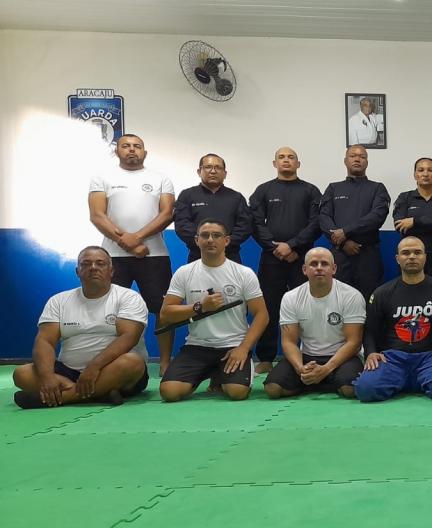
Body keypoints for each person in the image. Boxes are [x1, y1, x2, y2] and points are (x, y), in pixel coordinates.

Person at [13, 246, 149, 409]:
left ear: (111, 271)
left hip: (110, 368)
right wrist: (47, 377)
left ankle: (64, 397)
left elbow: (129, 337)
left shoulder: (129, 297)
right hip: (68, 372)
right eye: (86, 264)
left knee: (132, 362)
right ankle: (100, 393)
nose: (93, 268)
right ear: (78, 271)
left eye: (100, 263)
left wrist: (93, 367)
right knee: (21, 374)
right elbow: (45, 341)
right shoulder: (59, 300)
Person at [87, 134, 175, 374]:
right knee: (110, 308)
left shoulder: (161, 179)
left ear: (145, 152)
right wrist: (125, 241)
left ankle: (165, 362)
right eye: (126, 146)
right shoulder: (102, 177)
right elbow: (97, 215)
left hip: (154, 255)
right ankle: (111, 360)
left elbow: (167, 214)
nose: (132, 150)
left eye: (137, 146)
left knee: (163, 310)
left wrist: (136, 238)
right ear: (117, 151)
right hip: (112, 257)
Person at [159, 219, 269, 402]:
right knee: (169, 392)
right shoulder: (184, 272)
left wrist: (243, 348)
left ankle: (220, 375)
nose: (210, 240)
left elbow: (262, 315)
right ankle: (209, 373)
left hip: (233, 345)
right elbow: (166, 314)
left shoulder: (244, 273)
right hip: (197, 346)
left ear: (226, 241)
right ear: (197, 240)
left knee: (237, 392)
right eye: (205, 235)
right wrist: (200, 307)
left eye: (216, 235)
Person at [354, 237, 432, 402]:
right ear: (397, 258)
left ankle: (409, 381)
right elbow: (370, 330)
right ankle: (411, 381)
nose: (412, 257)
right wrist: (371, 353)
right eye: (406, 253)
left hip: (430, 357)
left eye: (417, 252)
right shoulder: (382, 293)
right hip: (393, 358)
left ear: (425, 257)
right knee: (365, 389)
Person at [248, 146, 322, 374]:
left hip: (302, 259)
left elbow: (316, 223)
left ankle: (309, 353)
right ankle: (266, 357)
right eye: (281, 157)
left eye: (291, 157)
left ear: (298, 164)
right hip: (272, 259)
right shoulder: (263, 190)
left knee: (307, 307)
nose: (286, 160)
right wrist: (275, 248)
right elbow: (256, 223)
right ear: (275, 163)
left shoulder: (311, 191)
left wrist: (294, 246)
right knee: (268, 307)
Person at [263, 248, 365, 399]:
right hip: (307, 358)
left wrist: (326, 369)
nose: (319, 268)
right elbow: (288, 342)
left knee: (350, 390)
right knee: (273, 389)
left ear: (334, 269)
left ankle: (319, 380)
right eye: (313, 264)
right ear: (304, 269)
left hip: (342, 358)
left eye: (324, 264)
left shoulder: (351, 296)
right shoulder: (291, 297)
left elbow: (354, 342)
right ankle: (314, 379)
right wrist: (300, 369)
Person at [319, 144, 391, 299]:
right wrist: (344, 243)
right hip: (339, 254)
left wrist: (345, 232)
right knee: (337, 300)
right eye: (353, 156)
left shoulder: (377, 188)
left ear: (367, 162)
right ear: (345, 161)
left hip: (368, 256)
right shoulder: (333, 188)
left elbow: (377, 217)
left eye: (362, 156)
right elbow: (324, 217)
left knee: (369, 301)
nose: (357, 159)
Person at [174, 153, 251, 263]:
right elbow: (182, 225)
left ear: (225, 173)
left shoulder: (236, 197)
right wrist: (203, 242)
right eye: (208, 167)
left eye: (218, 167)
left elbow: (244, 226)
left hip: (230, 256)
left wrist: (223, 243)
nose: (213, 171)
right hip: (197, 256)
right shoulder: (187, 195)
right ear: (199, 171)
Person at [392, 157, 432, 285]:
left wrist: (414, 222)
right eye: (421, 170)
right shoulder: (405, 197)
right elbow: (400, 225)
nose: (425, 174)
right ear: (415, 175)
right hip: (411, 258)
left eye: (430, 170)